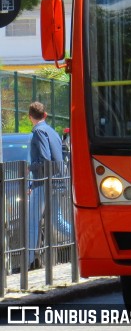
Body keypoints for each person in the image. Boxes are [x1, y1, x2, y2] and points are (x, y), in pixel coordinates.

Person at [27, 101, 72, 269]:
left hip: (45, 182)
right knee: (58, 220)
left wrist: (31, 168)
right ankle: (82, 240)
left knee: (32, 221)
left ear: (30, 116)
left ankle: (28, 261)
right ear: (44, 115)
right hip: (58, 180)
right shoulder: (52, 131)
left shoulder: (38, 131)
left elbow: (45, 158)